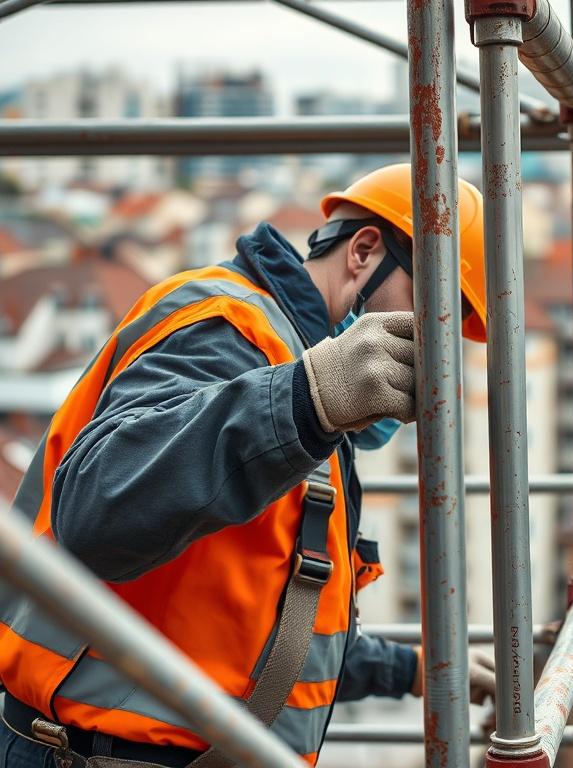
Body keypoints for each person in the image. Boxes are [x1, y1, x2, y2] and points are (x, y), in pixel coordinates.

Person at [0, 164, 495, 768]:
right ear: (365, 252)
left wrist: (412, 671)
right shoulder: (230, 326)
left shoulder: (302, 372)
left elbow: (259, 623)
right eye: (432, 311)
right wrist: (305, 401)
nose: (432, 347)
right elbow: (100, 509)